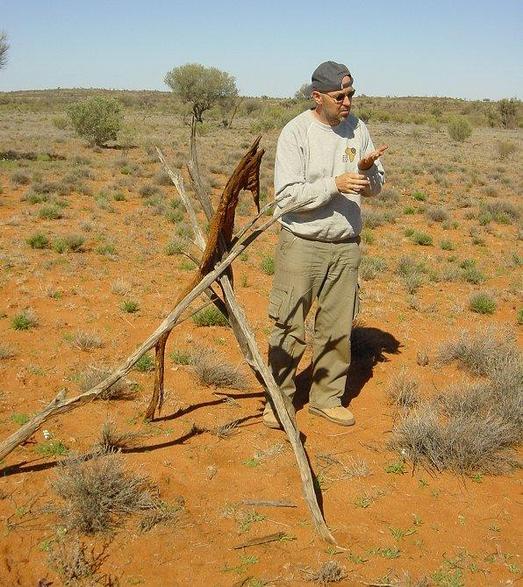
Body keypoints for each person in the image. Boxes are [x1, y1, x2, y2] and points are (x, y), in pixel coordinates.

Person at [264, 60, 387, 429]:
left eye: (351, 94)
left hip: (345, 244)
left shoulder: (357, 129)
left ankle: (326, 397)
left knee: (337, 327)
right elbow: (285, 198)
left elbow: (377, 185)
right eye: (340, 96)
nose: (347, 102)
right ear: (317, 97)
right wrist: (335, 184)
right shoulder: (296, 133)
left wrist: (367, 174)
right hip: (302, 244)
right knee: (288, 325)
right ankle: (278, 401)